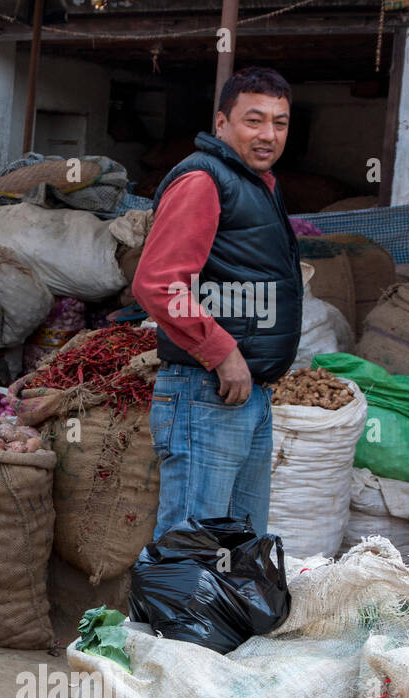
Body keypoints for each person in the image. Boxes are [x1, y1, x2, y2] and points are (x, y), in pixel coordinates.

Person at [133, 67, 302, 540]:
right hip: (204, 394)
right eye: (254, 120)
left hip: (247, 395)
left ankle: (222, 619)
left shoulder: (257, 182)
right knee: (193, 547)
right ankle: (175, 619)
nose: (269, 134)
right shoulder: (205, 180)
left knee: (240, 549)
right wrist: (223, 352)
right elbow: (158, 284)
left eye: (280, 122)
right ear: (223, 123)